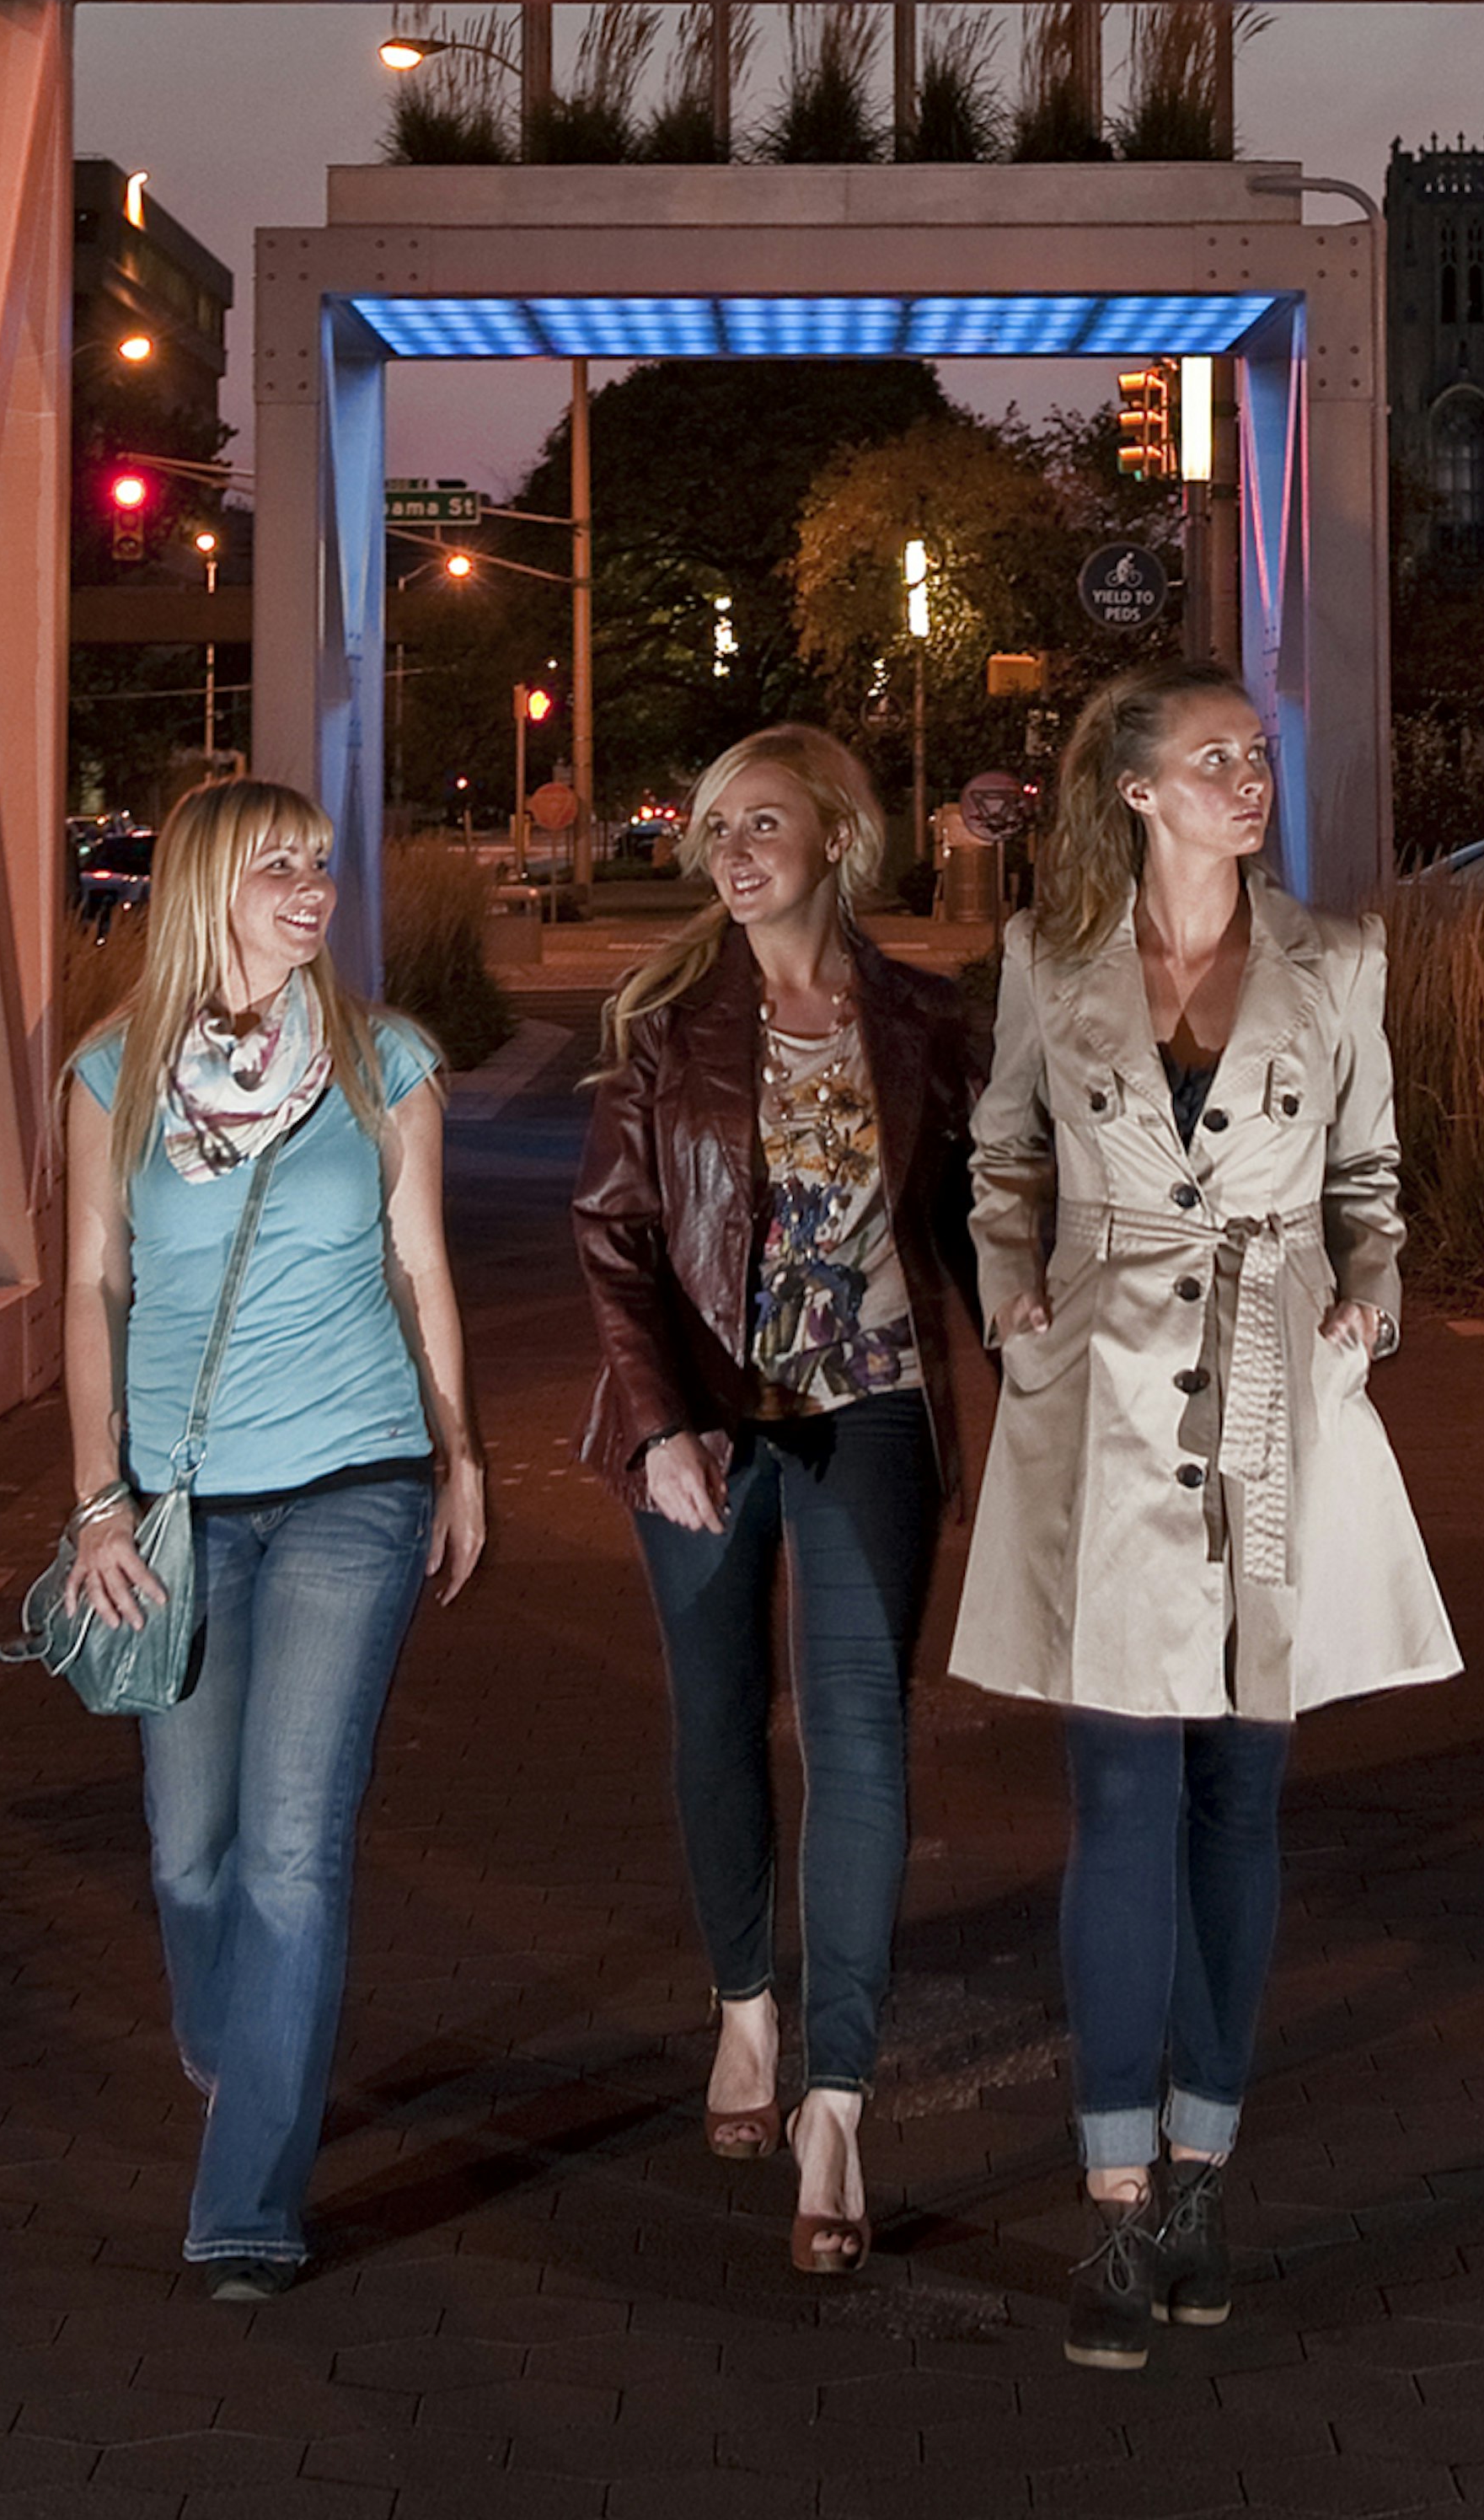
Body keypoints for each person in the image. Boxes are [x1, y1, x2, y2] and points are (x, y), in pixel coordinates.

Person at [951, 665, 1459, 2370]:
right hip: (1097, 1402)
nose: (1254, 780)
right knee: (1118, 1794)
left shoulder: (1341, 964)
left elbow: (1372, 1182)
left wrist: (1368, 1303)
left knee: (1239, 1794)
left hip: (1273, 1399)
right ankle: (1109, 2204)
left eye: (1261, 755)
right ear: (1141, 790)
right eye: (1219, 759)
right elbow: (1002, 1155)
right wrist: (1009, 1292)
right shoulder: (1046, 961)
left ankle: (1201, 2176)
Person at [62, 775, 485, 2301]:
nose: (313, 889)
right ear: (199, 888)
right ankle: (231, 2042)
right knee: (191, 1854)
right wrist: (96, 1496)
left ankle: (248, 2199)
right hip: (177, 1503)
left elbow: (420, 1262)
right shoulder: (111, 1076)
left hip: (352, 1481)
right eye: (277, 869)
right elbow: (92, 1294)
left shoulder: (386, 1063)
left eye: (320, 865)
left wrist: (459, 1455)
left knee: (295, 1849)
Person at [571, 722, 981, 2278]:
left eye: (764, 821)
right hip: (704, 1430)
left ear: (839, 840)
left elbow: (978, 1235)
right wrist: (660, 1425)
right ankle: (746, 2005)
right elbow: (613, 1237)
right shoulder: (667, 1020)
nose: (732, 849)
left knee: (862, 1736)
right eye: (717, 827)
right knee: (718, 1717)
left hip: (872, 1415)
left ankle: (837, 2100)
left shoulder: (933, 1023)